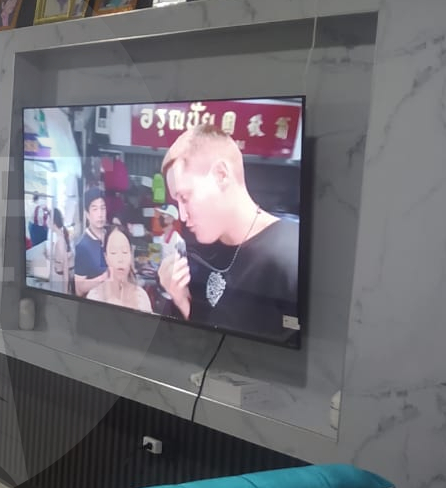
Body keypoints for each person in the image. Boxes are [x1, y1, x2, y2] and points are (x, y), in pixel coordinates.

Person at [156, 125, 300, 339]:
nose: (183, 216)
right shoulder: (198, 252)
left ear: (221, 175)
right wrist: (181, 300)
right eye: (177, 201)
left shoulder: (291, 258)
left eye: (185, 197)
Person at [88, 224, 153, 313]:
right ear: (106, 257)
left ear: (131, 255)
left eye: (125, 252)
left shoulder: (141, 298)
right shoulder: (94, 298)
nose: (120, 259)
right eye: (113, 252)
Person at [73, 188, 109, 298]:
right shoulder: (83, 246)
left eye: (103, 208)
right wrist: (103, 278)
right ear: (87, 214)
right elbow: (79, 289)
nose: (100, 214)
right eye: (95, 209)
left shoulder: (111, 235)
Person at [48, 208, 75, 295]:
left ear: (53, 222)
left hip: (62, 278)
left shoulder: (60, 240)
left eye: (48, 219)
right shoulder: (61, 234)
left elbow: (65, 267)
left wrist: (65, 292)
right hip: (61, 275)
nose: (46, 222)